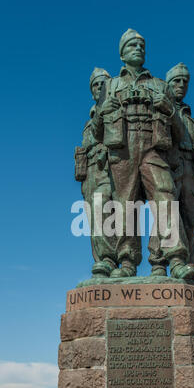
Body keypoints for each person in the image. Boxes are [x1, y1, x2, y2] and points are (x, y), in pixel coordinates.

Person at [91, 29, 194, 280]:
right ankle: (127, 262)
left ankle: (175, 259)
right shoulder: (111, 86)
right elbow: (97, 134)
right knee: (125, 205)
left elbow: (179, 131)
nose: (137, 49)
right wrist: (101, 111)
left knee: (165, 196)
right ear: (121, 54)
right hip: (123, 151)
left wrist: (169, 110)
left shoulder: (160, 85)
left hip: (152, 148)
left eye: (141, 45)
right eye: (131, 46)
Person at [74, 68, 118, 278]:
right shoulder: (89, 121)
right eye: (96, 85)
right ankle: (102, 261)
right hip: (91, 174)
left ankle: (111, 259)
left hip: (111, 169)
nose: (100, 87)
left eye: (103, 83)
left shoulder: (116, 111)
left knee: (111, 214)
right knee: (95, 220)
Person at [166, 62, 194, 267]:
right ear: (167, 84)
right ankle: (164, 264)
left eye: (185, 81)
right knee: (167, 218)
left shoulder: (193, 123)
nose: (181, 84)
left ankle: (188, 264)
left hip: (191, 174)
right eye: (177, 80)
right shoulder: (162, 113)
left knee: (191, 223)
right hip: (170, 169)